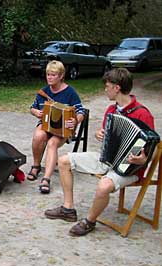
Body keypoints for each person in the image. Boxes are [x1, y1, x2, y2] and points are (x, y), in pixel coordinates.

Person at [44, 68, 155, 236]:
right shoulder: (111, 110)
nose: (105, 89)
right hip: (106, 159)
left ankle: (90, 221)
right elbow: (107, 136)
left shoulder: (142, 114)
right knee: (64, 160)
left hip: (129, 167)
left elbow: (152, 149)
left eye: (107, 86)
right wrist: (99, 134)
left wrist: (142, 160)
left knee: (103, 186)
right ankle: (68, 209)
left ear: (116, 88)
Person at [27, 60, 85, 194]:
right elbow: (32, 107)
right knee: (38, 135)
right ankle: (36, 166)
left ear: (61, 76)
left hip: (63, 129)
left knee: (52, 143)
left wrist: (75, 121)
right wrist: (35, 111)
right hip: (46, 124)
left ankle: (46, 178)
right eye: (48, 74)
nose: (50, 77)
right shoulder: (43, 92)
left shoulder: (70, 92)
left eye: (53, 75)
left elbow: (81, 111)